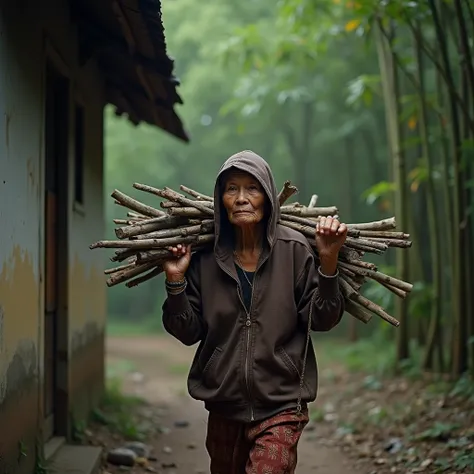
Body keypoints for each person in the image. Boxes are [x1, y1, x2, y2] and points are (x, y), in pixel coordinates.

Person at [162, 150, 347, 474]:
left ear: (268, 197)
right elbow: (186, 331)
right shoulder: (203, 259)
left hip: (282, 404)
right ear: (221, 200)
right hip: (223, 405)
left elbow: (322, 319)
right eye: (231, 189)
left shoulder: (294, 251)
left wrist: (328, 262)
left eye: (253, 188)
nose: (242, 198)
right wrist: (176, 281)